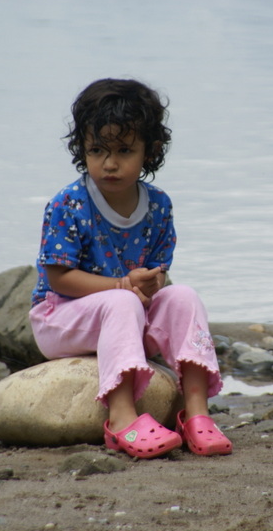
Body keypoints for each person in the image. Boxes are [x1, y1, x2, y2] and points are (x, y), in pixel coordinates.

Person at [29, 78, 232, 458]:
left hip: (124, 313)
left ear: (150, 151)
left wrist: (149, 286)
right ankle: (122, 419)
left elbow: (158, 276)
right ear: (81, 149)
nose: (109, 163)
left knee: (183, 296)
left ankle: (196, 414)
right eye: (96, 149)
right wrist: (122, 286)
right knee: (121, 303)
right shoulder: (68, 205)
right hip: (60, 317)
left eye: (124, 150)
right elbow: (58, 279)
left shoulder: (158, 206)